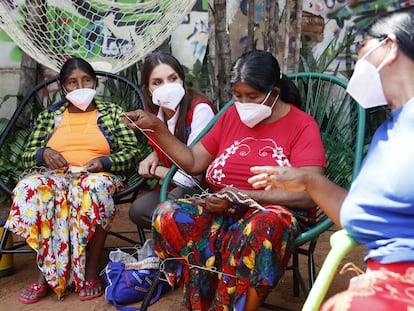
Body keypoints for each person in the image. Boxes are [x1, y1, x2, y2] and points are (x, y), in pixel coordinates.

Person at [121, 50, 326, 311]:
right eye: (237, 96)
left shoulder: (302, 125)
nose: (242, 104)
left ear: (274, 93)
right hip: (225, 208)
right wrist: (157, 127)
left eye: (251, 97)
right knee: (167, 213)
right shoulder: (231, 115)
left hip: (272, 211)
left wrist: (246, 196)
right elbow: (194, 161)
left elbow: (311, 192)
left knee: (262, 227)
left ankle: (233, 306)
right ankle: (202, 299)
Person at [248, 7, 414, 311]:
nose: (358, 61)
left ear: (390, 46)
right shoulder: (389, 132)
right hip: (381, 282)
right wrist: (309, 181)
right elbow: (361, 215)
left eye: (362, 46)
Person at [5, 57, 140, 304]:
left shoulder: (111, 113)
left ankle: (91, 269)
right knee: (31, 188)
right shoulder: (50, 117)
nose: (80, 87)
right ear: (64, 87)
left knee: (92, 188)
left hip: (96, 176)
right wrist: (43, 154)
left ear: (95, 82)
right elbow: (26, 155)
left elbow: (132, 151)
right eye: (73, 82)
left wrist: (104, 162)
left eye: (86, 80)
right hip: (56, 177)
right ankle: (46, 271)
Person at [128, 51, 216, 229]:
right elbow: (169, 139)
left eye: (172, 78)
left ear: (182, 80)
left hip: (204, 188)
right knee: (139, 210)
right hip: (175, 186)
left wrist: (158, 171)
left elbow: (191, 177)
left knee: (170, 205)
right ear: (149, 90)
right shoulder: (156, 115)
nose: (167, 86)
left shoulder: (200, 110)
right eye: (157, 82)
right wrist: (154, 153)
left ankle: (182, 249)